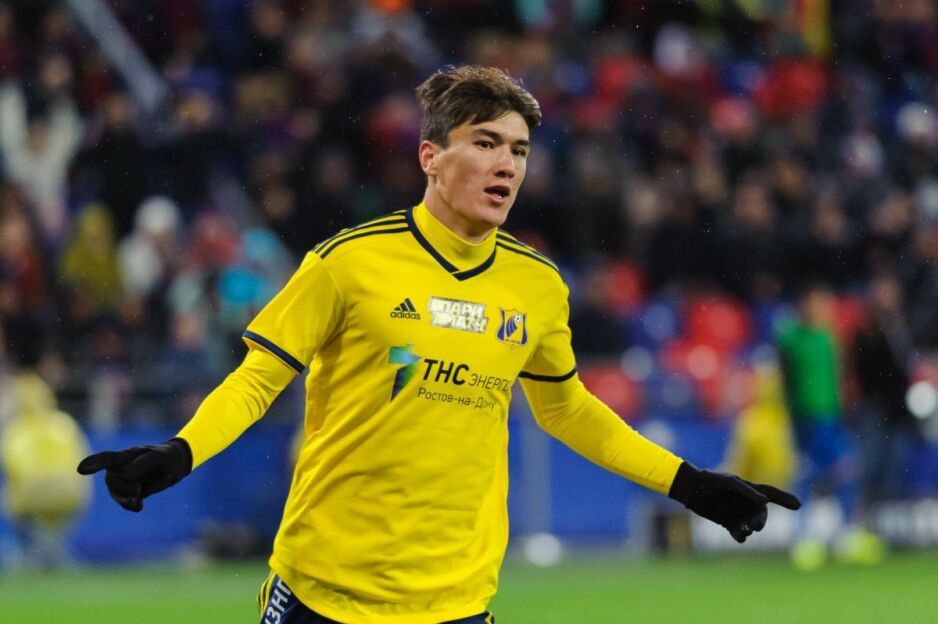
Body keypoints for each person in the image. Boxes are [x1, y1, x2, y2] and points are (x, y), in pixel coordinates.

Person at [78, 65, 799, 624]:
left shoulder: (538, 285)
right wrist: (181, 450)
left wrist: (689, 484)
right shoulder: (348, 262)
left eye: (518, 150)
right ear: (430, 155)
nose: (506, 165)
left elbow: (567, 409)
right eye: (485, 143)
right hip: (325, 593)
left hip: (457, 601)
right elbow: (258, 378)